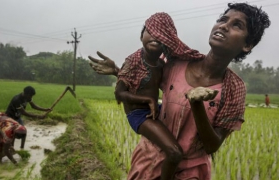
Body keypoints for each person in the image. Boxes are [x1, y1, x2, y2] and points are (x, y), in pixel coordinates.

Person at [89, 2, 270, 180]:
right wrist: (118, 72)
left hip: (192, 171)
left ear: (248, 45)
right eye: (223, 19)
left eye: (237, 25)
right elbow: (145, 82)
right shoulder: (177, 65)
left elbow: (212, 145)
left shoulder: (234, 89)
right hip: (149, 163)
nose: (223, 26)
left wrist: (196, 104)